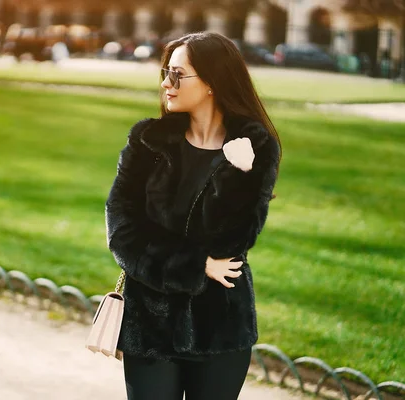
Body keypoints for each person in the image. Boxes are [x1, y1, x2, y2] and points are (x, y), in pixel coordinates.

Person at [105, 31, 282, 400]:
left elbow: (234, 242)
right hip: (149, 326)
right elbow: (122, 231)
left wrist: (239, 176)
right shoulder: (146, 142)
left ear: (212, 83)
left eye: (178, 75)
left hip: (220, 326)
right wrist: (193, 264)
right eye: (166, 73)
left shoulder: (253, 147)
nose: (166, 84)